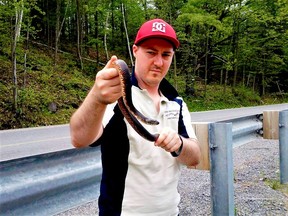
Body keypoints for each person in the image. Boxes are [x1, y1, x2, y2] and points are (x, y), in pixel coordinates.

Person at [70, 18, 201, 216]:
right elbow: (78, 138)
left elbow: (195, 158)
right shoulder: (115, 96)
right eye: (151, 52)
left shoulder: (177, 102)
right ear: (135, 50)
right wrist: (96, 97)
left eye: (166, 54)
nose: (158, 62)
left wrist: (179, 144)